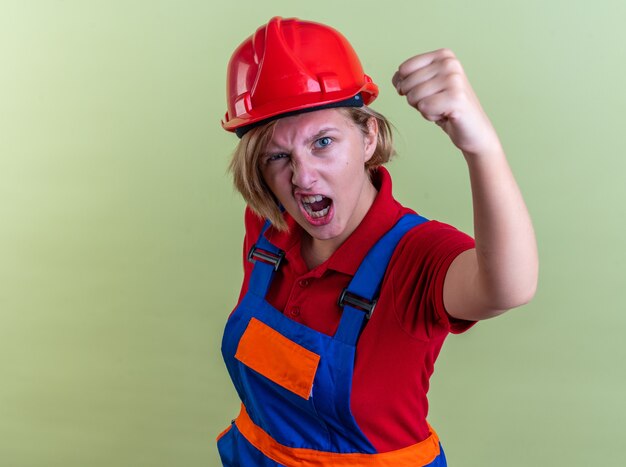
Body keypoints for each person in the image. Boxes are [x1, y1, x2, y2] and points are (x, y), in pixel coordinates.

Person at [216, 16, 538, 467]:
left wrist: (481, 147)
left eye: (323, 142)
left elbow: (508, 288)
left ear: (368, 137)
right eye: (278, 156)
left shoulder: (416, 256)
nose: (303, 176)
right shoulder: (270, 228)